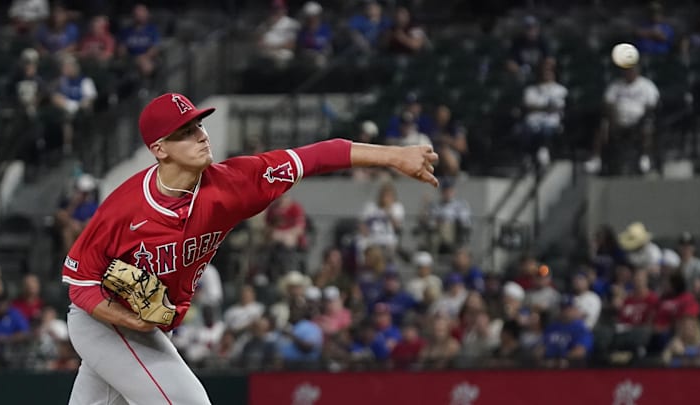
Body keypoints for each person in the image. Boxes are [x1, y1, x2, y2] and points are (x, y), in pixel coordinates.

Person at [62, 92, 438, 404]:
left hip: (150, 327)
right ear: (159, 149)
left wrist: (394, 156)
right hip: (102, 321)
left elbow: (315, 156)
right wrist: (131, 321)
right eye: (186, 132)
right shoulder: (123, 208)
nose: (201, 136)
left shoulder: (234, 184)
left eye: (199, 125)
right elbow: (79, 282)